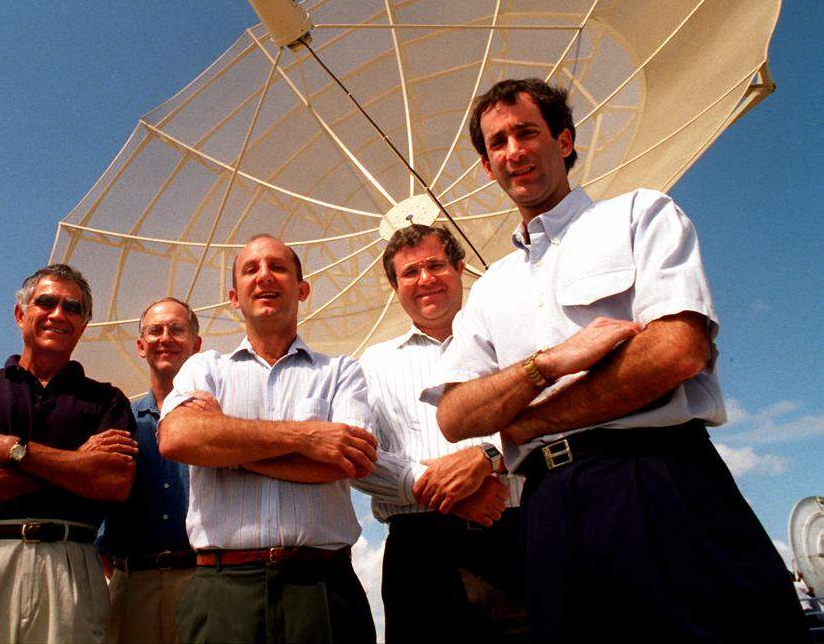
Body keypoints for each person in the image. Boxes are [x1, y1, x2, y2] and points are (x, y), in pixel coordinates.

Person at [424, 78, 809, 642]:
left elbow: (676, 350)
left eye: (527, 132)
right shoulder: (488, 291)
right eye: (497, 142)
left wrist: (523, 421)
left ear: (564, 140)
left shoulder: (640, 215)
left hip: (653, 478)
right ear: (486, 167)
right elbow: (456, 415)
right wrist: (547, 365)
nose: (514, 151)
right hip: (548, 512)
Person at [158, 234, 378, 644]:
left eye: (278, 267)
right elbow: (176, 437)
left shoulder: (341, 373)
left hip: (322, 589)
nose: (264, 277)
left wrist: (225, 448)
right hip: (222, 591)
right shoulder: (205, 369)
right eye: (250, 269)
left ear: (302, 288)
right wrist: (306, 435)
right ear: (233, 297)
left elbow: (343, 462)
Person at [0, 264, 137, 644]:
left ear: (84, 324)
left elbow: (113, 480)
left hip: (70, 567)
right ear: (21, 314)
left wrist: (13, 450)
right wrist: (73, 463)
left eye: (73, 308)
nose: (59, 314)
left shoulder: (106, 400)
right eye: (47, 302)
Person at [352, 223, 527, 642]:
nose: (425, 279)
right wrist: (445, 492)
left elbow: (555, 418)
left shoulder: (513, 343)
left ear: (461, 268)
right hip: (420, 555)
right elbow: (359, 460)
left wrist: (489, 456)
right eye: (410, 273)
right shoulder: (371, 365)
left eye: (435, 265)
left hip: (519, 538)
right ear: (395, 287)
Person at [98, 297, 202, 644]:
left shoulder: (218, 418)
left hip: (202, 582)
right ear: (141, 346)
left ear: (196, 344)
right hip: (133, 584)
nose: (165, 338)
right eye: (155, 331)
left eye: (177, 329)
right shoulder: (118, 419)